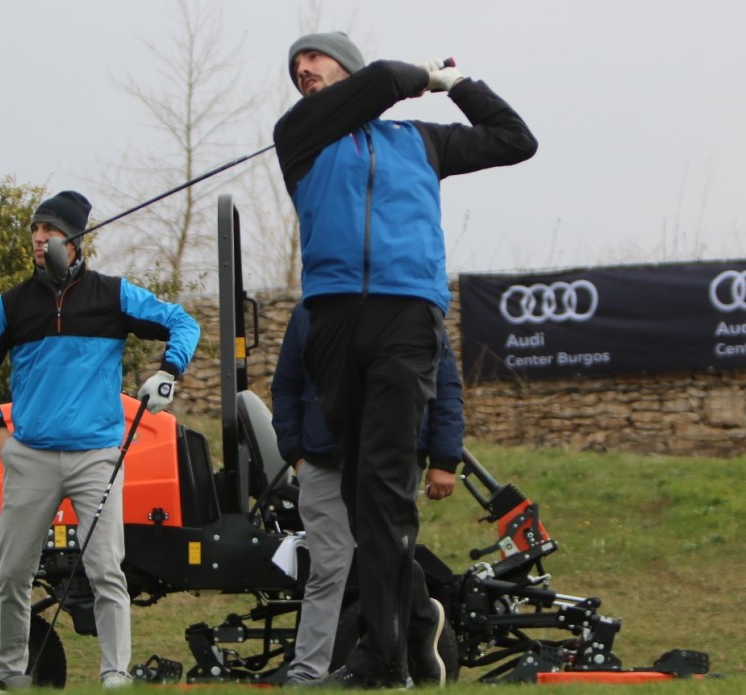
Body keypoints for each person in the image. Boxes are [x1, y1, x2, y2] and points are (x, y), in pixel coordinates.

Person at [272, 32, 537, 688]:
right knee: (369, 500)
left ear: (348, 68)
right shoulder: (299, 137)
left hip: (407, 318)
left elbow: (515, 138)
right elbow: (389, 76)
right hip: (332, 320)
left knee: (385, 487)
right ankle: (418, 626)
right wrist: (421, 74)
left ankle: (383, 659)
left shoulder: (422, 141)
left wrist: (460, 84)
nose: (303, 73)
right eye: (296, 70)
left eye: (316, 62)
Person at [0, 190, 201, 693]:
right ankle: (6, 675)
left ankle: (115, 672)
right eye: (34, 230)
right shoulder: (11, 306)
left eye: (49, 231)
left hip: (97, 455)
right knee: (12, 576)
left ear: (74, 242)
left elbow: (182, 321)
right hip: (30, 458)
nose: (38, 239)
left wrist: (170, 371)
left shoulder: (113, 296)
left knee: (106, 570)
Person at [272, 302, 464, 686]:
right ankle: (306, 675)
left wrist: (444, 458)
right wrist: (297, 456)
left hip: (394, 457)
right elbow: (287, 384)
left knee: (389, 560)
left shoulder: (413, 308)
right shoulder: (310, 311)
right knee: (328, 568)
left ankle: (412, 645)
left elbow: (445, 387)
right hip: (324, 462)